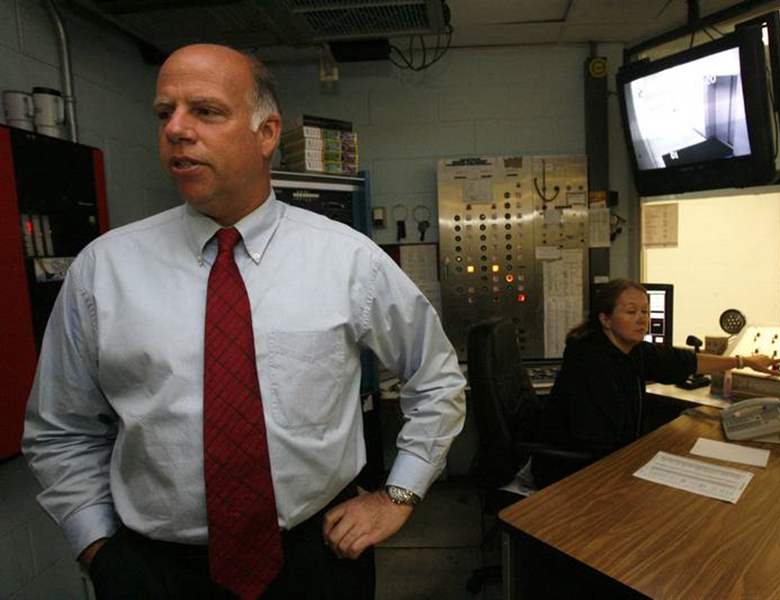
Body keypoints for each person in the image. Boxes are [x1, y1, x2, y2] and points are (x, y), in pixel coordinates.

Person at [22, 44, 466, 599]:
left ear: (266, 133)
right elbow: (60, 427)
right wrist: (96, 546)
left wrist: (399, 494)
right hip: (155, 572)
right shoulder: (103, 270)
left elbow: (436, 378)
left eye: (205, 111)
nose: (176, 130)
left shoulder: (349, 261)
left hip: (318, 558)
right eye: (165, 113)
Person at [533, 279, 780, 485]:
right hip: (574, 471)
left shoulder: (633, 350)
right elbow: (600, 439)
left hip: (611, 461)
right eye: (631, 312)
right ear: (606, 320)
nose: (642, 319)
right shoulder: (590, 361)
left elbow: (685, 361)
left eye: (645, 311)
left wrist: (743, 361)